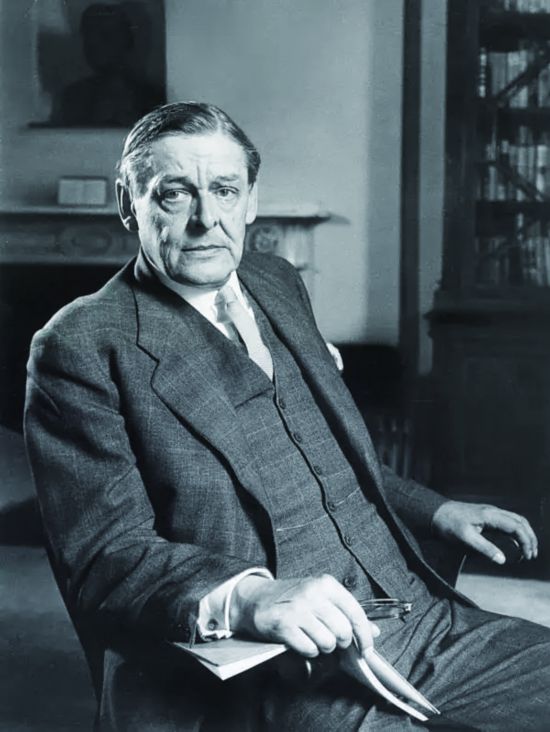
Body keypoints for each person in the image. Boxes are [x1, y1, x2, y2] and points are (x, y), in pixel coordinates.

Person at [24, 102, 550, 731]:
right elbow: (104, 556)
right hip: (279, 670)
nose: (206, 219)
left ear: (251, 200)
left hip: (421, 616)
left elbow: (328, 461)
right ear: (128, 204)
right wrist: (250, 597)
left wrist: (436, 511)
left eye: (225, 190)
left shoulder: (274, 280)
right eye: (174, 194)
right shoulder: (81, 345)